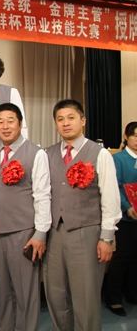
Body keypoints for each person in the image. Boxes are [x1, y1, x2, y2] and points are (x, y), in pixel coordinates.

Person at [43, 99, 122, 331]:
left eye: (71, 118)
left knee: (85, 297)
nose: (65, 123)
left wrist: (107, 238)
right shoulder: (47, 154)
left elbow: (110, 199)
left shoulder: (100, 154)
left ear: (83, 120)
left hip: (87, 233)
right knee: (56, 295)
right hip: (54, 233)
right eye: (60, 119)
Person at [0, 103, 51, 331]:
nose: (5, 126)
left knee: (25, 291)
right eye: (0, 122)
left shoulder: (36, 153)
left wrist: (40, 233)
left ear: (20, 124)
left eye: (10, 121)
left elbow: (42, 195)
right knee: (2, 290)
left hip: (22, 232)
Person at [106, 121, 137, 316]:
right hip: (125, 218)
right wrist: (127, 207)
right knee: (122, 257)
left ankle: (133, 294)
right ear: (126, 137)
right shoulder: (118, 159)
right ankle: (114, 299)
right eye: (135, 135)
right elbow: (115, 186)